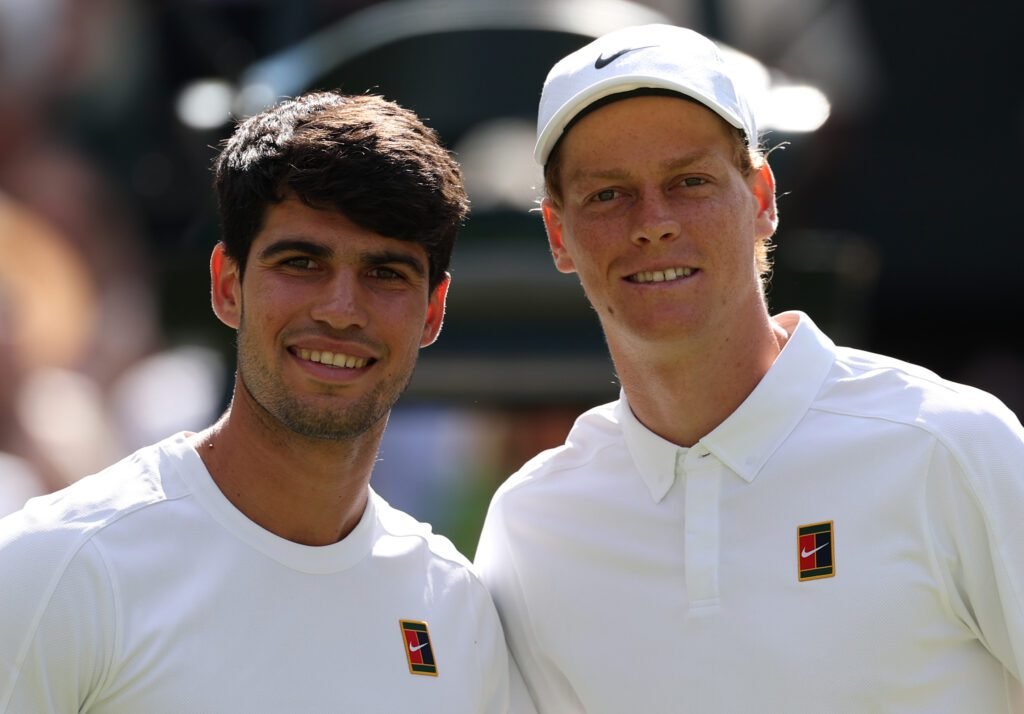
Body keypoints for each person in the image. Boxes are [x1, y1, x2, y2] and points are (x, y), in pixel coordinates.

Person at [474, 24, 1024, 712]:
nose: (654, 222)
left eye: (690, 181)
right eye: (608, 195)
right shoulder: (533, 525)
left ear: (761, 198)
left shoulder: (949, 447)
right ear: (559, 234)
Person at [0, 91, 515, 713]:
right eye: (302, 263)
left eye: (385, 273)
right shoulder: (58, 567)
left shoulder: (456, 608)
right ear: (227, 287)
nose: (341, 310)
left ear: (432, 311)